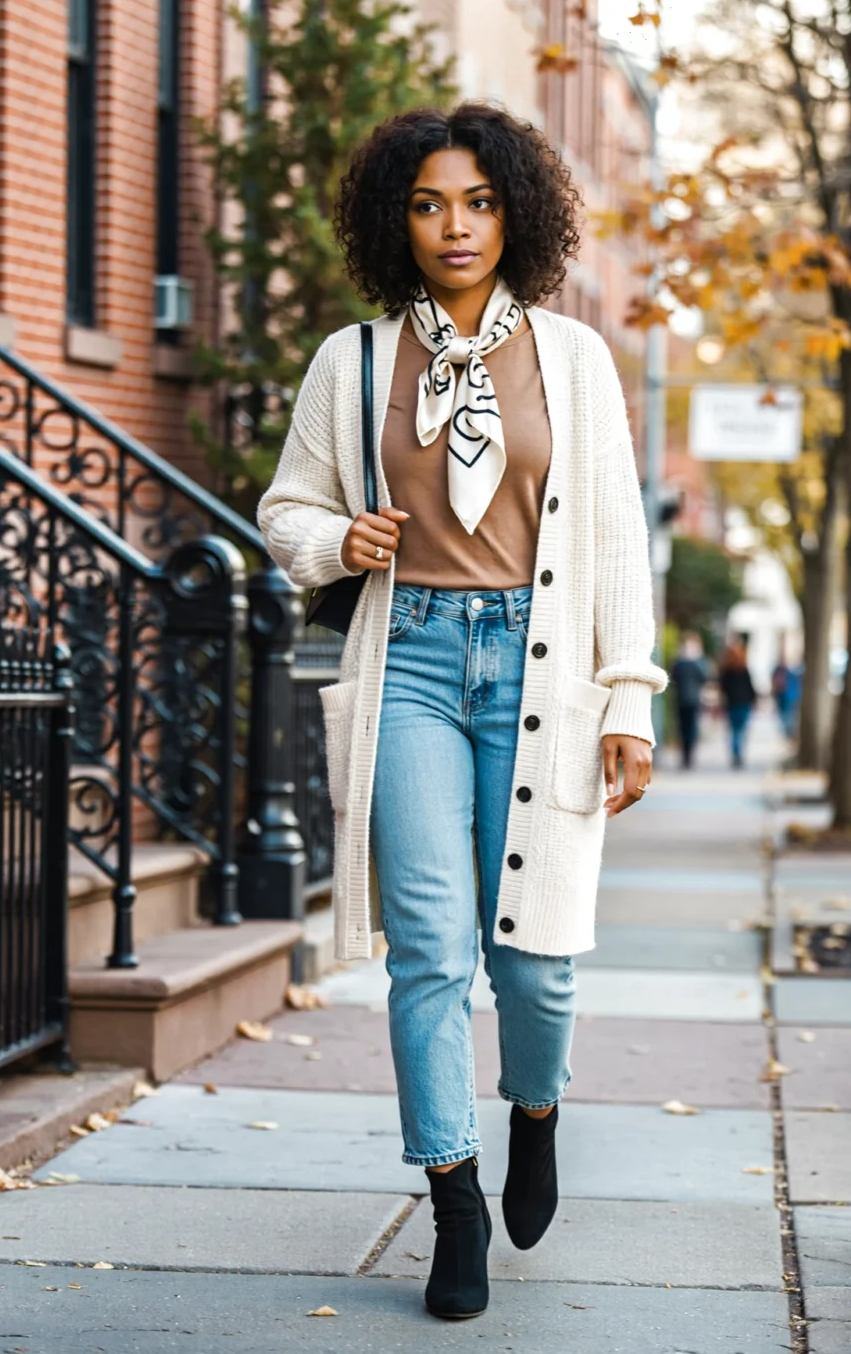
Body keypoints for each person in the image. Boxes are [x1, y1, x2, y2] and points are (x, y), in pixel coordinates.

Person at [258, 103, 666, 1320]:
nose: (453, 225)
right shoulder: (355, 361)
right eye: (429, 202)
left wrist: (629, 694)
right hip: (416, 664)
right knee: (431, 956)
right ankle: (452, 1198)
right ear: (398, 218)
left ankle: (534, 1111)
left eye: (478, 202)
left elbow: (614, 542)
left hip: (543, 677)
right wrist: (342, 535)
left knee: (533, 966)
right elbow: (287, 515)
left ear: (515, 217)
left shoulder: (577, 361)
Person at [670, 631, 708, 769]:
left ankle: (689, 756)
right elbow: (673, 676)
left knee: (691, 729)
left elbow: (704, 676)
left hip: (693, 700)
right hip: (681, 699)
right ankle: (684, 756)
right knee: (682, 729)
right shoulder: (679, 662)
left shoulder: (697, 662)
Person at [719, 638, 757, 768]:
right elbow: (751, 687)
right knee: (741, 730)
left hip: (732, 703)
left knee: (734, 730)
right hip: (744, 703)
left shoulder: (727, 671)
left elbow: (722, 688)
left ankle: (736, 753)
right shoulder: (744, 669)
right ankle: (739, 753)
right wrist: (754, 700)